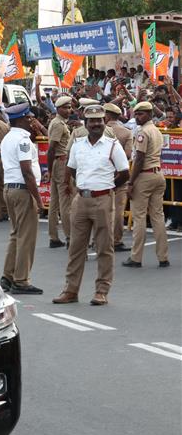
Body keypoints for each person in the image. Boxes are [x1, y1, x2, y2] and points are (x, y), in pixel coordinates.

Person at [53, 105, 130, 306]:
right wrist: (70, 187)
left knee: (104, 247)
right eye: (92, 121)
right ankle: (70, 291)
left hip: (103, 199)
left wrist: (110, 188)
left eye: (100, 120)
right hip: (81, 200)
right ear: (85, 124)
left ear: (104, 122)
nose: (96, 124)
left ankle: (101, 291)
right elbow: (70, 168)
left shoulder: (113, 145)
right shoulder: (78, 144)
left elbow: (124, 173)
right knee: (76, 248)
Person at [0, 103, 44, 295]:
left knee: (16, 234)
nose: (31, 121)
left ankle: (8, 276)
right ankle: (21, 280)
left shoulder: (8, 138)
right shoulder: (23, 140)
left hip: (10, 188)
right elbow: (27, 171)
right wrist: (39, 199)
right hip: (23, 190)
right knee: (26, 237)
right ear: (21, 119)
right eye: (28, 118)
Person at [122, 101, 169, 268]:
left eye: (140, 114)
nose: (137, 117)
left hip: (144, 176)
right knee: (158, 216)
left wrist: (131, 182)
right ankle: (163, 257)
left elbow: (139, 159)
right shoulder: (155, 130)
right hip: (158, 174)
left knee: (139, 217)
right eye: (136, 114)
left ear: (149, 114)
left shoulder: (143, 132)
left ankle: (136, 257)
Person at [103, 103, 133, 252]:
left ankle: (99, 239)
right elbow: (127, 155)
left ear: (107, 115)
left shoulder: (98, 130)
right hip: (119, 173)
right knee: (118, 210)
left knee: (101, 209)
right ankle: (116, 240)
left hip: (102, 174)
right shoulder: (126, 132)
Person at [46, 96, 73, 247]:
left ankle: (54, 237)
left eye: (69, 107)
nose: (68, 110)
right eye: (65, 107)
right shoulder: (58, 124)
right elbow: (51, 149)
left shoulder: (58, 123)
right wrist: (50, 170)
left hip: (58, 162)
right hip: (61, 162)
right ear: (58, 109)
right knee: (65, 201)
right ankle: (69, 236)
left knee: (55, 202)